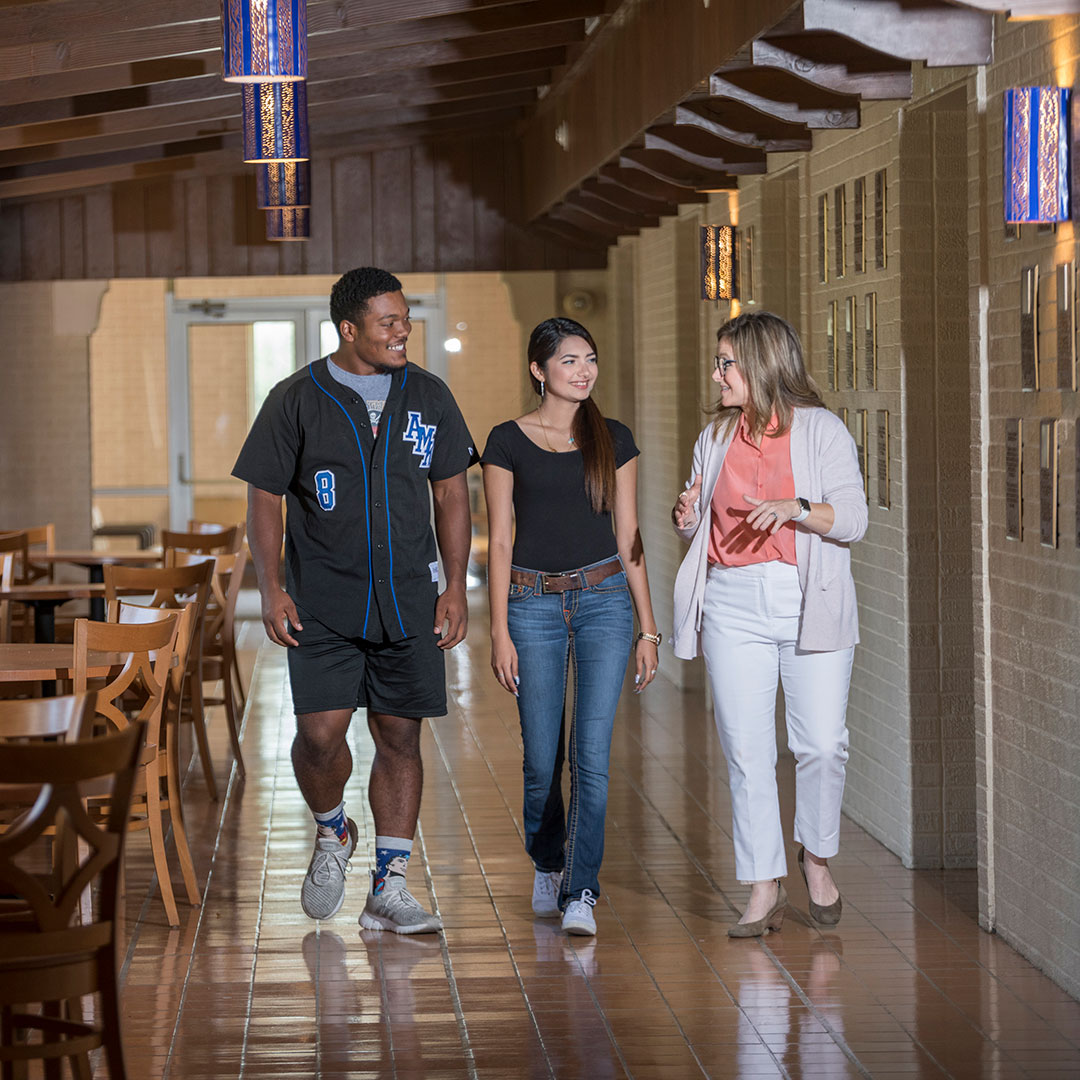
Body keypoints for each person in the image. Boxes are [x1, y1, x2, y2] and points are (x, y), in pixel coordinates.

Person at [232, 267, 477, 934]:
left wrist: (455, 584)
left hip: (408, 601)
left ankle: (390, 886)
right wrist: (273, 586)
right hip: (323, 603)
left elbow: (452, 492)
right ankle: (332, 829)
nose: (402, 332)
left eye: (404, 320)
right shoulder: (296, 398)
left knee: (400, 735)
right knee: (319, 738)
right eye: (388, 322)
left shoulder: (428, 394)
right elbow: (264, 497)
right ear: (349, 329)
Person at [670, 311, 867, 938]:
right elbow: (698, 515)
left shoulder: (821, 431)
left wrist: (797, 508)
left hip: (807, 598)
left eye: (726, 362)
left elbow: (854, 520)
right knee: (747, 751)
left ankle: (816, 856)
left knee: (820, 744)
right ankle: (763, 883)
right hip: (731, 602)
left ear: (761, 365)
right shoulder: (717, 436)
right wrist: (685, 515)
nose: (717, 373)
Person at [482, 317, 660, 938]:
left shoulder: (614, 438)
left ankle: (580, 889)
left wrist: (648, 626)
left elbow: (629, 535)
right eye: (569, 361)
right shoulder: (506, 440)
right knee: (540, 758)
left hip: (605, 600)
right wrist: (498, 628)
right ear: (539, 370)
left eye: (589, 359)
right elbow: (500, 539)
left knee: (590, 756)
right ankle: (547, 858)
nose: (584, 371)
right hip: (531, 604)